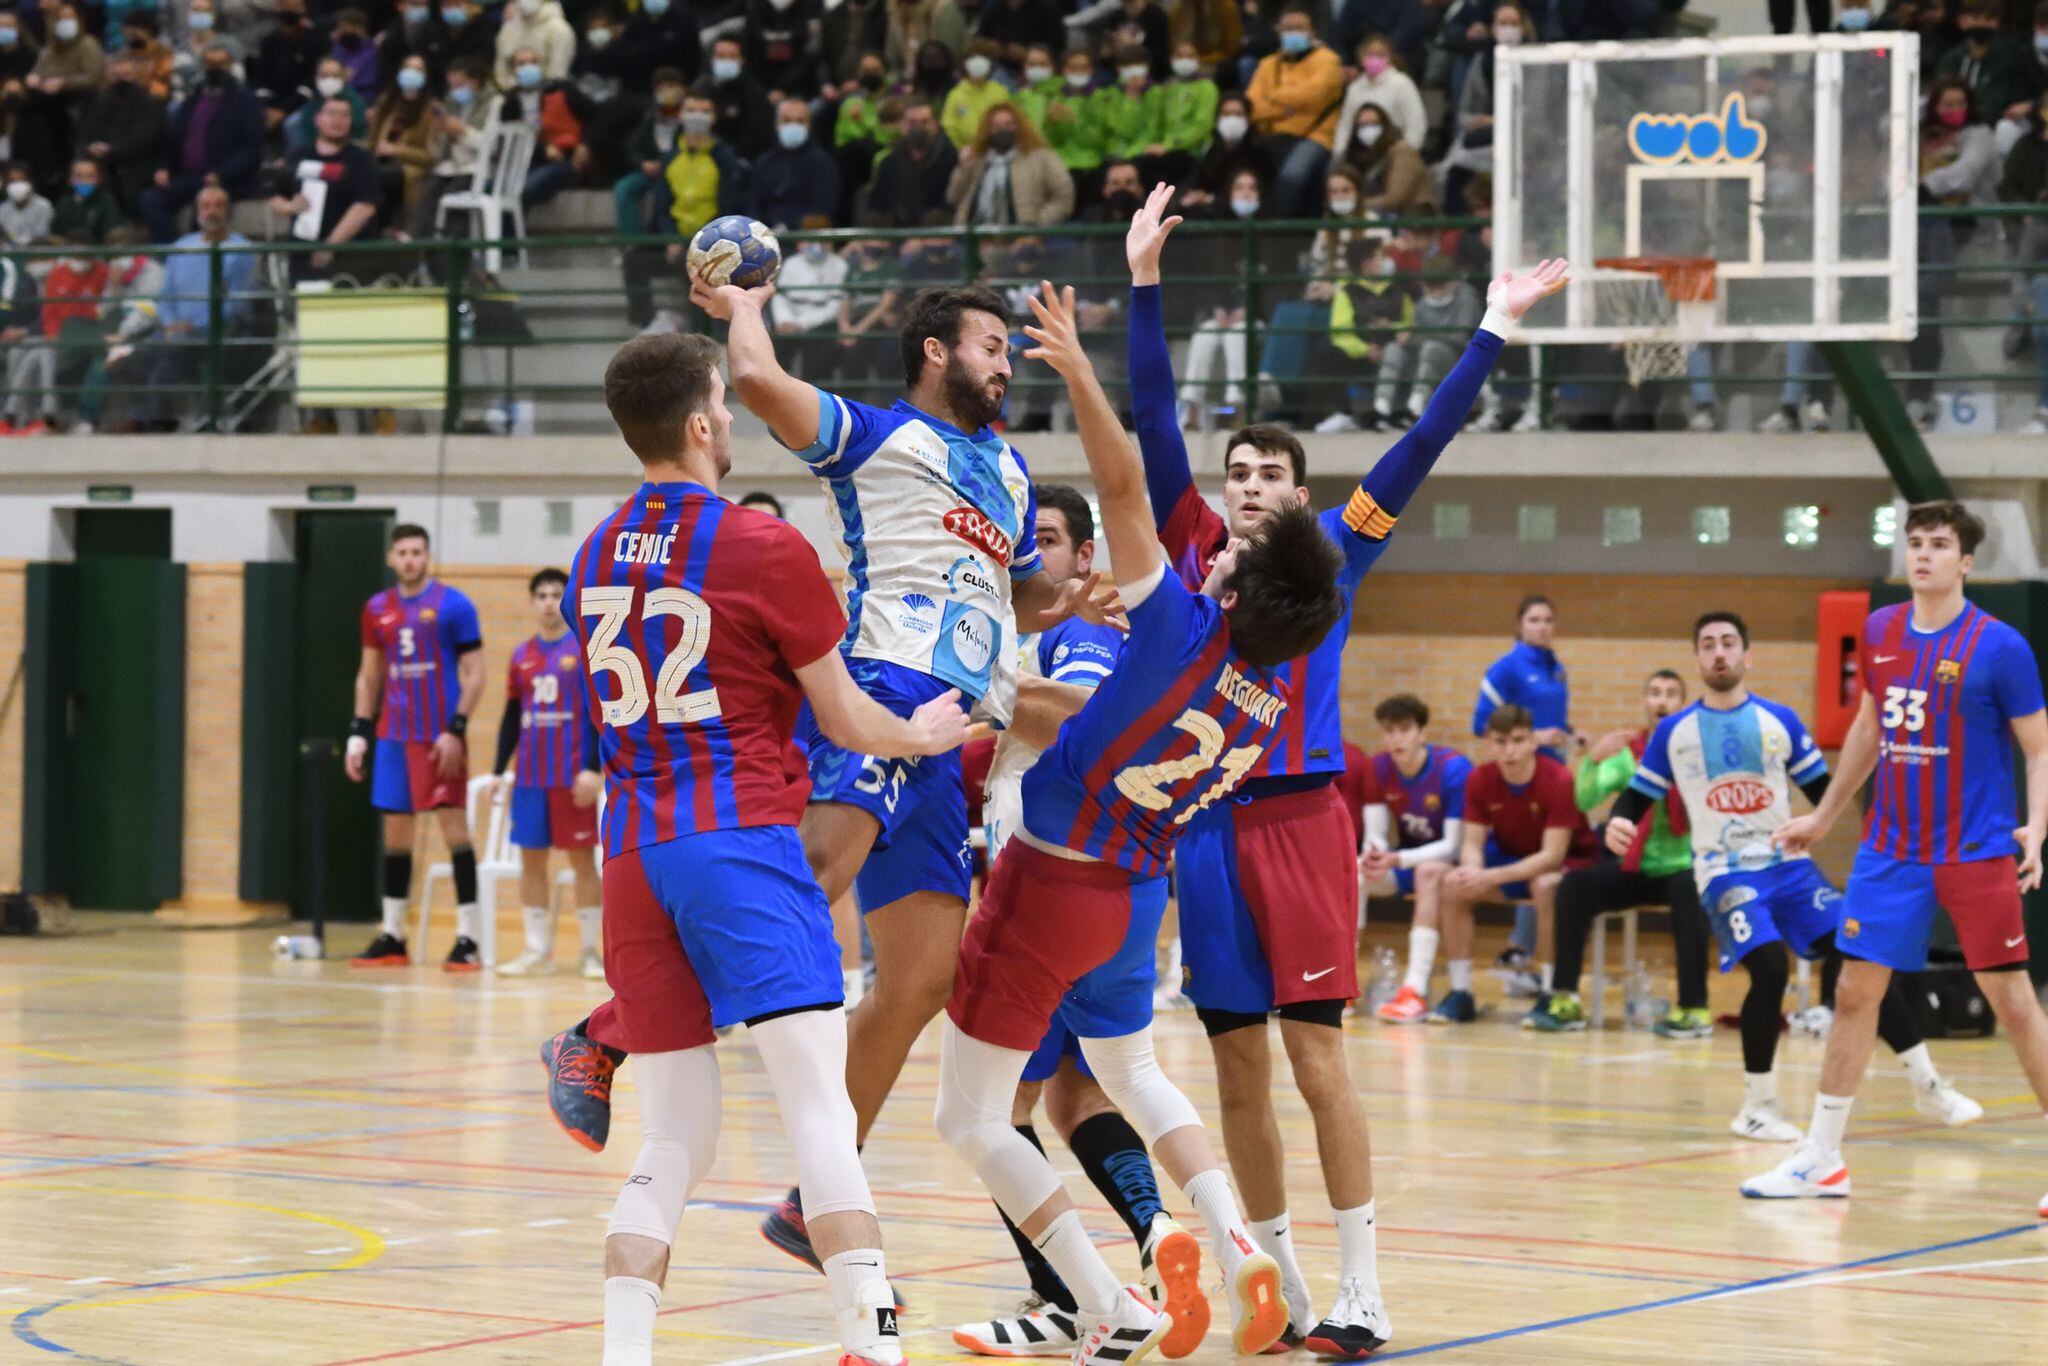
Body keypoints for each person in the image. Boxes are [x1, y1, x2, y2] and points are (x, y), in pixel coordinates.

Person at [1131, 179, 1569, 1353]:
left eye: (1267, 473)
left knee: (1316, 1053)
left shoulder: (1333, 555)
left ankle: (1363, 1288)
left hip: (1300, 821)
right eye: (1236, 473)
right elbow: (1151, 417)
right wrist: (1141, 284)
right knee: (1233, 1071)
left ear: (1299, 495)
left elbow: (1422, 441)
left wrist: (1493, 324)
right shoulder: (1189, 553)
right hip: (1204, 830)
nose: (1245, 485)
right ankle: (1272, 1286)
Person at [936, 257, 1341, 1364]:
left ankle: (1102, 1298)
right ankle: (1231, 1241)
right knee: (1130, 1070)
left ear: (1235, 589)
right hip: (1129, 893)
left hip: (1048, 878)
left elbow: (1120, 486)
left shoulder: (1174, 626)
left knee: (969, 1118)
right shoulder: (1259, 701)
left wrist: (1076, 367)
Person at [544, 331, 968, 1366]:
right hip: (735, 836)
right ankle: (872, 1334)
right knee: (817, 1106)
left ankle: (622, 1354)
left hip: (633, 857)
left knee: (674, 1132)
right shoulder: (763, 547)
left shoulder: (594, 550)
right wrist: (925, 733)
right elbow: (850, 717)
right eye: (723, 412)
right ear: (699, 424)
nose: (731, 422)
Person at [949, 482, 1201, 1360]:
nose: (1033, 555)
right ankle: (1157, 1227)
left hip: (1051, 890)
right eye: (1025, 542)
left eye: (1048, 540)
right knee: (1073, 1090)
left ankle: (1068, 1297)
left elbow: (1083, 722)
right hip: (1081, 890)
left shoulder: (1081, 635)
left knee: (993, 1109)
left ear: (1086, 556)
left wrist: (983, 681)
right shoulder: (1033, 633)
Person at [1745, 501, 2048, 1210]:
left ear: (1965, 562)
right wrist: (1822, 814)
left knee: (2013, 1001)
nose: (1923, 555)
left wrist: (2037, 826)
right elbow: (1870, 727)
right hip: (1891, 848)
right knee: (1855, 991)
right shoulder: (1881, 629)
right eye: (1914, 543)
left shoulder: (2000, 646)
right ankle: (1820, 1158)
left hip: (1973, 848)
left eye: (1939, 545)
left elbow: (2038, 746)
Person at [1595, 612, 1983, 1140]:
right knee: (1771, 970)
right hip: (1726, 873)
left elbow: (1826, 791)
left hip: (1790, 867)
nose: (1719, 653)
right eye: (1707, 645)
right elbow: (1639, 793)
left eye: (1729, 643)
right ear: (1698, 659)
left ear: (1747, 655)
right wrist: (1619, 820)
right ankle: (1758, 1107)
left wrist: (1880, 826)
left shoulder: (1778, 721)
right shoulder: (1675, 731)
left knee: (1861, 961)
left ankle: (1928, 1084)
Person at [1522, 669, 1709, 1034]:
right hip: (1636, 867)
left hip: (1681, 866)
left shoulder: (1697, 753)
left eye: (1671, 693)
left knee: (1691, 890)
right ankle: (1565, 999)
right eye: (1655, 692)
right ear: (1645, 702)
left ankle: (1694, 1009)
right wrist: (1592, 760)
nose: (1661, 700)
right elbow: (1584, 798)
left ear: (1682, 705)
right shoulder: (1628, 754)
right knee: (1574, 888)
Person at [343, 523, 486, 972]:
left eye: (417, 552)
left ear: (427, 556)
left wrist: (456, 728)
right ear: (391, 558)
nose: (409, 559)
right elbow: (369, 675)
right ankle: (393, 936)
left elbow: (476, 673)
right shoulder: (377, 609)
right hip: (393, 737)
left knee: (455, 833)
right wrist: (358, 732)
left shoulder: (454, 605)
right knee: (396, 837)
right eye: (402, 552)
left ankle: (468, 938)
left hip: (439, 738)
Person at [492, 567, 605, 980]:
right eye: (540, 595)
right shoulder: (521, 655)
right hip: (530, 778)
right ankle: (536, 949)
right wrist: (496, 772)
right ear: (531, 601)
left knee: (582, 863)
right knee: (531, 862)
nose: (547, 602)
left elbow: (599, 715)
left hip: (571, 776)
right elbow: (509, 717)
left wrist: (594, 769)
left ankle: (591, 950)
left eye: (556, 594)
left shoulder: (586, 651)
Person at [1363, 693, 1474, 1023]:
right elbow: (1376, 830)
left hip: (1451, 862)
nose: (1397, 738)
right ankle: (1338, 986)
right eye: (1390, 731)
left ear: (1422, 733)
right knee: (1353, 874)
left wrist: (1396, 858)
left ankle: (1413, 990)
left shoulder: (1454, 769)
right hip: (1408, 858)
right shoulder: (1379, 766)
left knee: (1428, 871)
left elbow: (1454, 846)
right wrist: (1375, 852)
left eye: (1405, 729)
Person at [121, 182, 254, 432]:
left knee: (171, 356)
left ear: (228, 211)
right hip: (174, 328)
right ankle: (162, 418)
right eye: (205, 206)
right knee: (137, 356)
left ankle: (149, 421)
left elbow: (235, 300)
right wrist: (171, 323)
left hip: (215, 328)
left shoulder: (240, 250)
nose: (211, 212)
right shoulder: (182, 246)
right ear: (197, 212)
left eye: (218, 206)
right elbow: (166, 295)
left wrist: (193, 325)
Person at [140, 45, 265, 243]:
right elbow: (173, 140)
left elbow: (251, 152)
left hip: (225, 179)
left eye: (220, 64)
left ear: (231, 66)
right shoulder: (192, 100)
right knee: (151, 199)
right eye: (210, 64)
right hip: (188, 177)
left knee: (205, 208)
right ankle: (172, 256)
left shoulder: (246, 102)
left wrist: (220, 174)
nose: (215, 69)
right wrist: (164, 167)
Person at [267, 96, 381, 280]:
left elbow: (365, 206)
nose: (338, 120)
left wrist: (330, 246)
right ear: (317, 119)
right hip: (302, 252)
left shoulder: (360, 158)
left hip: (348, 257)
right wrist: (289, 207)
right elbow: (275, 196)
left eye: (344, 115)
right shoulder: (298, 155)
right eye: (332, 114)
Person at [1245, 7, 1343, 216]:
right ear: (1278, 32)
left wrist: (1273, 97)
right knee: (1249, 176)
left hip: (1316, 135)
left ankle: (1287, 238)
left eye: (1299, 28)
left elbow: (1315, 97)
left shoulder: (1328, 60)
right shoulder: (1267, 64)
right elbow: (1252, 108)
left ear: (1312, 32)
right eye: (1288, 29)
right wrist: (1287, 109)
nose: (1293, 33)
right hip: (1272, 135)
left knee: (1291, 176)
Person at [1474, 594, 1572, 759]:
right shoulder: (1505, 668)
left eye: (1548, 620)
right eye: (1534, 620)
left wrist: (1572, 734)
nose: (1542, 627)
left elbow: (1549, 718)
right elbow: (1480, 726)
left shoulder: (1557, 668)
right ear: (1520, 625)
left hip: (1555, 768)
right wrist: (1534, 737)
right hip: (1519, 768)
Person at [946, 101, 1074, 226]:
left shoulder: (1042, 157)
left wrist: (1036, 226)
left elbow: (1064, 197)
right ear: (987, 130)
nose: (1002, 130)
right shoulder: (976, 159)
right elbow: (952, 198)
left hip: (1023, 237)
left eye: (1008, 124)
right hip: (974, 238)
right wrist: (963, 168)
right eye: (995, 126)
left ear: (1018, 126)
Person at [73, 52, 166, 217]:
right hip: (102, 165)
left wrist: (112, 150)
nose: (121, 81)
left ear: (138, 76)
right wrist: (90, 148)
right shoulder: (98, 104)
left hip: (139, 166)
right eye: (116, 76)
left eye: (127, 75)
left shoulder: (153, 104)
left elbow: (144, 139)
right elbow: (85, 135)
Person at [750, 97, 841, 231]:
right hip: (765, 238)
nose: (793, 126)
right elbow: (754, 205)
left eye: (800, 121)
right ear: (776, 124)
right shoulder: (764, 162)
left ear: (809, 125)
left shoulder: (822, 162)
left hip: (805, 238)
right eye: (786, 121)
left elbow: (822, 209)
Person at [867, 96, 956, 225]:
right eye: (912, 122)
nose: (918, 128)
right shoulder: (888, 163)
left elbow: (950, 208)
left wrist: (921, 238)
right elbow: (876, 206)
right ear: (902, 125)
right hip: (895, 235)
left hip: (937, 235)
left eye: (925, 122)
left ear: (936, 125)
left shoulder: (951, 160)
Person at [1333, 34, 1426, 153]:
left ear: (1390, 58)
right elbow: (1345, 125)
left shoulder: (1402, 84)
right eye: (1370, 55)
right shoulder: (1355, 88)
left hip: (1395, 151)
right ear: (1361, 58)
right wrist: (1339, 152)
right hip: (1360, 153)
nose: (1374, 59)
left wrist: (1406, 151)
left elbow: (1416, 124)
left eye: (1380, 55)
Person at [494, 0, 575, 90]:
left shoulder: (559, 30)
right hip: (512, 95)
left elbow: (557, 74)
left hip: (547, 94)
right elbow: (500, 72)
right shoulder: (508, 30)